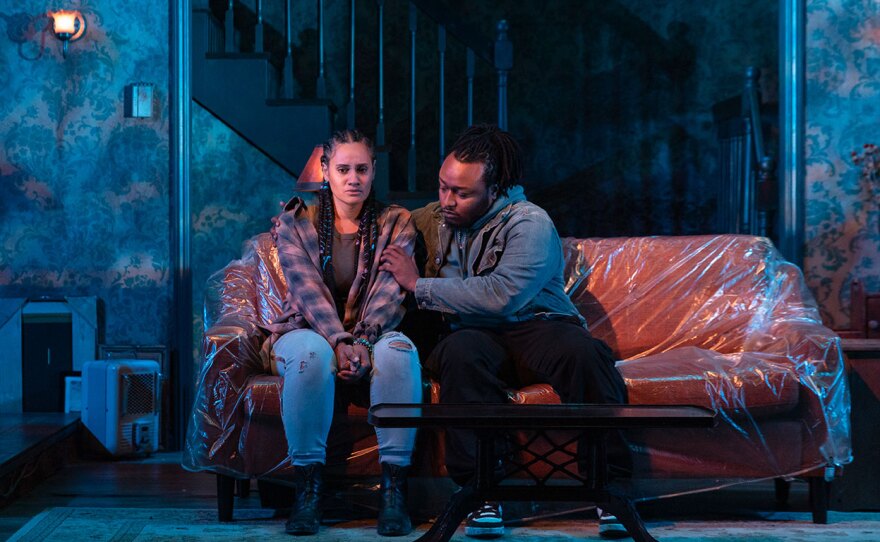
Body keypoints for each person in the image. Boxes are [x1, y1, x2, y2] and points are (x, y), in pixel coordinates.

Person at [380, 124, 629, 539]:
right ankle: (480, 492)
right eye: (443, 187)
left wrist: (418, 284)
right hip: (474, 333)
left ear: (495, 190)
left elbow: (502, 296)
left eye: (461, 193)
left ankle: (611, 487)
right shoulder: (434, 219)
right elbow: (383, 220)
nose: (447, 201)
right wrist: (313, 219)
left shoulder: (530, 223)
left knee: (585, 355)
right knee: (460, 354)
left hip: (536, 324)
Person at [265, 129, 422, 537]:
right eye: (343, 169)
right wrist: (342, 341)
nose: (354, 178)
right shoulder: (296, 221)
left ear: (373, 172)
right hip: (307, 329)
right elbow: (308, 292)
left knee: (399, 352)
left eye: (362, 169)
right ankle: (309, 490)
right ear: (326, 171)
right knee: (312, 356)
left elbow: (391, 293)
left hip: (372, 330)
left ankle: (394, 490)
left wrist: (365, 340)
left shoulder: (396, 222)